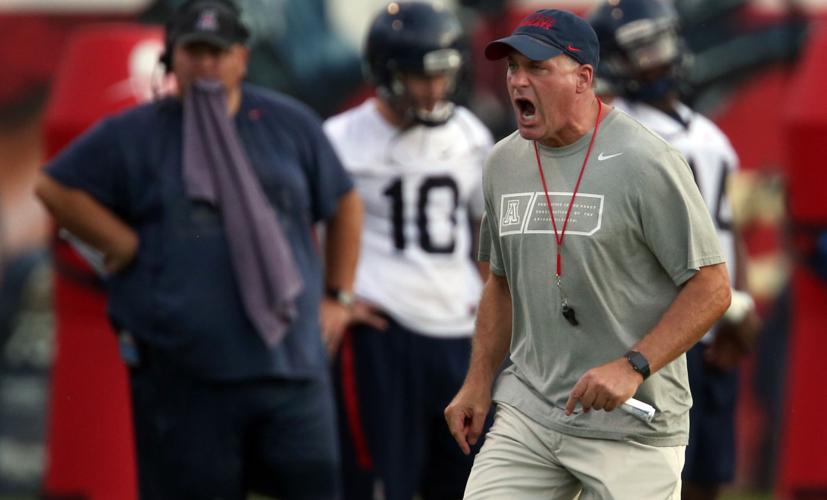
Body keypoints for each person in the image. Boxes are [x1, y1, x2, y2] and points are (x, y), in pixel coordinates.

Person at [35, 1, 362, 498]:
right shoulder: (137, 131)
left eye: (218, 51)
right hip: (184, 376)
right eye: (194, 51)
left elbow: (343, 200)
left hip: (290, 369)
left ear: (241, 57)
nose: (206, 63)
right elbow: (56, 187)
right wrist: (117, 242)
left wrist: (337, 295)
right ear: (172, 57)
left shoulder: (289, 123)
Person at [444, 8, 733, 499]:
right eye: (513, 68)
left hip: (631, 425)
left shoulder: (648, 161)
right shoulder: (503, 162)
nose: (519, 81)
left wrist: (632, 366)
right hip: (529, 412)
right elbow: (501, 283)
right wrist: (478, 381)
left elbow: (712, 287)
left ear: (583, 78)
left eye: (537, 68)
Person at [588, 1, 761, 498]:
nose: (660, 58)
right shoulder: (617, 136)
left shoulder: (708, 133)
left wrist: (738, 303)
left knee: (709, 474)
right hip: (656, 335)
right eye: (643, 49)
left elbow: (727, 234)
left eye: (661, 41)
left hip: (710, 326)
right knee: (653, 476)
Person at [323, 2, 493, 499]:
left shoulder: (470, 135)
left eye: (443, 75)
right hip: (383, 329)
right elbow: (308, 231)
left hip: (460, 331)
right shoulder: (340, 139)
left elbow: (486, 232)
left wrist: (492, 304)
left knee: (466, 485)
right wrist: (334, 295)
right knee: (378, 485)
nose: (436, 89)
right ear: (386, 73)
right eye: (422, 77)